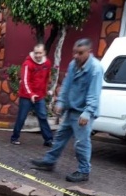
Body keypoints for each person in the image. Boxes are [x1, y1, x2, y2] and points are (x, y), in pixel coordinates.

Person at [30, 38, 103, 183]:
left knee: (81, 143)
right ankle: (49, 162)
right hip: (71, 110)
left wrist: (87, 112)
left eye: (80, 53)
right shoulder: (73, 64)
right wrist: (61, 102)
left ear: (89, 52)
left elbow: (94, 94)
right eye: (74, 52)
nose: (76, 56)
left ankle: (84, 171)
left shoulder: (95, 69)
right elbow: (66, 85)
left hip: (83, 113)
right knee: (60, 137)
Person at [10, 43, 54, 147]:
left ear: (44, 53)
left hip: (39, 96)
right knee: (22, 117)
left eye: (40, 53)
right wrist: (31, 94)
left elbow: (47, 78)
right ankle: (14, 137)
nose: (38, 55)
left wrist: (46, 90)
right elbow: (25, 81)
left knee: (43, 117)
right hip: (26, 96)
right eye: (36, 53)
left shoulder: (47, 63)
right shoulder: (27, 64)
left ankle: (48, 140)